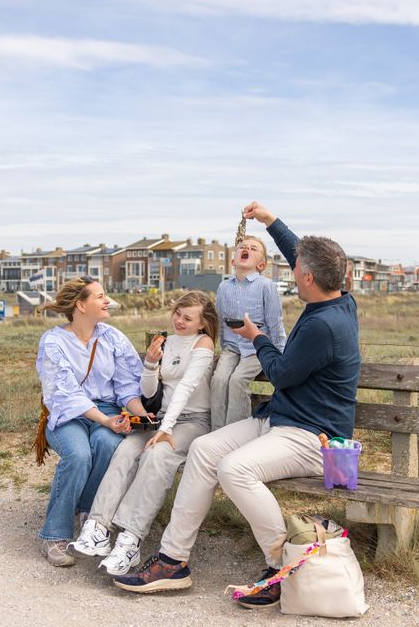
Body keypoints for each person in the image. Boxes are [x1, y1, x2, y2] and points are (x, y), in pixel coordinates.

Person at [113, 202, 361, 610]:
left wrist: (256, 335)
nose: (293, 268)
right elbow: (303, 252)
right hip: (280, 420)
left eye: (297, 267)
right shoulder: (339, 298)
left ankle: (281, 565)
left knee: (234, 468)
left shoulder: (323, 325)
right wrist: (269, 222)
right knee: (204, 450)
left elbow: (280, 374)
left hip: (311, 436)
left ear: (309, 278)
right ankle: (174, 561)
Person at [68, 291, 218, 576]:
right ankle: (98, 528)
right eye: (177, 314)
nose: (180, 321)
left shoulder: (204, 343)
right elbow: (149, 393)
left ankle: (129, 540)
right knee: (125, 450)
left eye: (188, 318)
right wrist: (150, 363)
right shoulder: (165, 341)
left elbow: (186, 388)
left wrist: (166, 429)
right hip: (161, 418)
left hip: (191, 421)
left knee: (156, 455)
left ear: (202, 323)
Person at [36, 276, 151, 567]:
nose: (106, 301)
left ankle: (90, 513)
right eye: (100, 296)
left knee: (105, 444)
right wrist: (105, 419)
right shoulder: (54, 341)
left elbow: (127, 386)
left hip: (107, 411)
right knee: (78, 454)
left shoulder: (112, 337)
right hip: (68, 414)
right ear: (80, 305)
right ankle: (54, 535)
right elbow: (65, 394)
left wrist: (139, 413)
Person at [210, 235, 286, 430]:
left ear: (261, 265)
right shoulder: (224, 287)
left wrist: (278, 352)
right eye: (243, 247)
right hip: (231, 347)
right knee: (218, 380)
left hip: (257, 348)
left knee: (237, 381)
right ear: (234, 260)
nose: (247, 249)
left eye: (253, 248)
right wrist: (222, 347)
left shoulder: (266, 286)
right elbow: (220, 321)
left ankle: (235, 432)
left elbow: (275, 321)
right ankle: (216, 431)